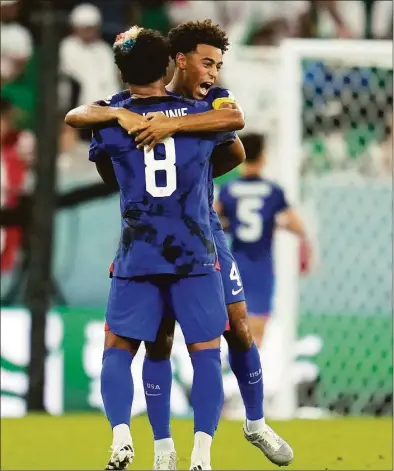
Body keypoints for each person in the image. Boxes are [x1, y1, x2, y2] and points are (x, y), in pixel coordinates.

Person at [65, 19, 293, 471]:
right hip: (189, 237)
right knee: (171, 343)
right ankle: (170, 451)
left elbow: (235, 126)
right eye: (207, 62)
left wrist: (163, 131)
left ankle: (254, 422)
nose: (213, 72)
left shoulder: (210, 100)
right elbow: (233, 148)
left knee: (238, 325)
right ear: (178, 61)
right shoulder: (148, 108)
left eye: (218, 64)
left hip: (184, 232)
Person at [87, 25, 240, 471]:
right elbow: (234, 144)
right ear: (172, 62)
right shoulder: (198, 116)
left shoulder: (114, 122)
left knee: (118, 347)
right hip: (193, 253)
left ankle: (120, 438)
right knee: (206, 351)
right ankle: (202, 457)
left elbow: (109, 176)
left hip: (140, 253)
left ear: (123, 71)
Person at [216, 133, 311, 347]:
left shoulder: (229, 189)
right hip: (261, 265)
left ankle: (229, 373)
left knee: (231, 327)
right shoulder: (273, 191)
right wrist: (277, 223)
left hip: (234, 265)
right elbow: (298, 226)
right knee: (256, 335)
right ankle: (251, 375)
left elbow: (211, 221)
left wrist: (231, 224)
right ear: (263, 157)